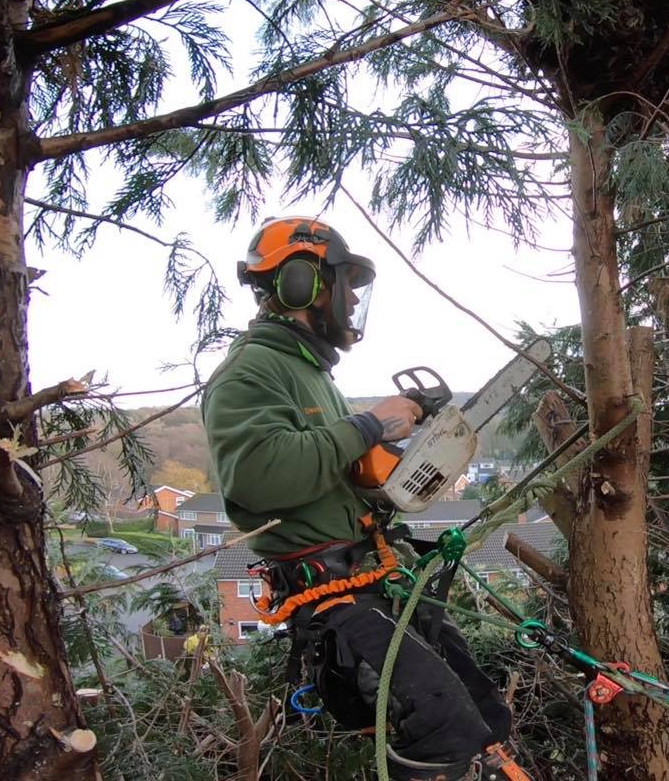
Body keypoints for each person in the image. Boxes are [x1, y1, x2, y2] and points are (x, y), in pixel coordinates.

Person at [202, 216, 528, 781]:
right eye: (344, 283)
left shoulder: (311, 374)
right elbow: (258, 477)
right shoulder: (251, 372)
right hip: (331, 598)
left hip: (375, 581)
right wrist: (368, 426)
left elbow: (327, 468)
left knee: (484, 713)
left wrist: (390, 463)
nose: (352, 299)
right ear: (302, 282)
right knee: (442, 734)